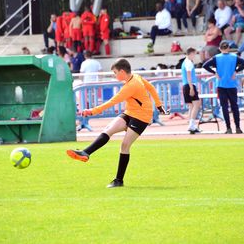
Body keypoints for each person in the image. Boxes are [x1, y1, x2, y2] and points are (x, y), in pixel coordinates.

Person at [66, 58, 169, 188]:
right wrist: (159, 106)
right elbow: (152, 88)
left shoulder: (130, 86)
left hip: (142, 116)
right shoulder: (135, 77)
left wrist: (92, 111)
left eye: (115, 72)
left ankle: (119, 180)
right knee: (109, 129)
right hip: (130, 112)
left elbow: (112, 102)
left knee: (125, 146)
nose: (114, 75)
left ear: (121, 71)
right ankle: (85, 153)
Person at [203, 40, 244, 134]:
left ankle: (228, 128)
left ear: (220, 49)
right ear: (228, 48)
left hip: (221, 85)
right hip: (232, 85)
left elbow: (205, 65)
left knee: (224, 107)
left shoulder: (216, 57)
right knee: (234, 107)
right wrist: (236, 71)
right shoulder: (234, 57)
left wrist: (214, 72)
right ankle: (238, 127)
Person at [181, 47, 201, 133]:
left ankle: (191, 124)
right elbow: (189, 75)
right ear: (191, 53)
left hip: (186, 85)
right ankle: (191, 124)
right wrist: (192, 88)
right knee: (196, 104)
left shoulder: (184, 62)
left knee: (191, 106)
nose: (195, 56)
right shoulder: (189, 62)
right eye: (194, 54)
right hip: (189, 85)